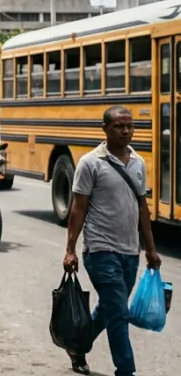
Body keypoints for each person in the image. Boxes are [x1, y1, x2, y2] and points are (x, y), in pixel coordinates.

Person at [61, 105, 161, 376]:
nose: (126, 131)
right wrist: (70, 249)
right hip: (100, 250)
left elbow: (142, 208)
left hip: (130, 251)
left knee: (109, 308)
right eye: (119, 126)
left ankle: (77, 345)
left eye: (130, 126)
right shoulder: (91, 163)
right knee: (119, 314)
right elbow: (78, 208)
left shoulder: (138, 162)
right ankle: (126, 371)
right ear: (105, 129)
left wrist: (150, 249)